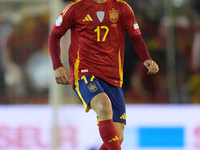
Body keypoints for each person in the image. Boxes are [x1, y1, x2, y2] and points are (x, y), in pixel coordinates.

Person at [48, 0, 159, 149]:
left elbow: (136, 37)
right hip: (85, 73)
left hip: (113, 77)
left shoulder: (122, 8)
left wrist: (147, 58)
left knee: (117, 137)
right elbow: (54, 35)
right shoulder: (75, 8)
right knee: (104, 106)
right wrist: (57, 66)